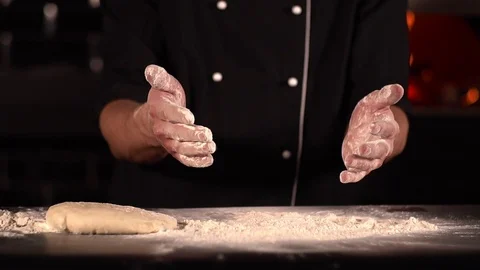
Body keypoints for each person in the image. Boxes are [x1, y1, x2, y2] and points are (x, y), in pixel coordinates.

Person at [98, 0, 411, 208]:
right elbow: (115, 121)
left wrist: (376, 134)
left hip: (315, 214)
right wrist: (152, 125)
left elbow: (393, 112)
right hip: (170, 217)